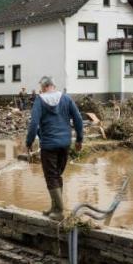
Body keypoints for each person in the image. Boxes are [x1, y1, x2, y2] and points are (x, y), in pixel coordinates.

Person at [26, 76, 84, 221]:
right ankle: (54, 207)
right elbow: (78, 119)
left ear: (44, 87)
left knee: (51, 177)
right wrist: (79, 139)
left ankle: (59, 211)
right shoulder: (66, 98)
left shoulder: (40, 100)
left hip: (49, 145)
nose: (40, 90)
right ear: (53, 85)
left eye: (41, 88)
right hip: (65, 143)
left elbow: (33, 124)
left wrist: (29, 142)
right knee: (57, 175)